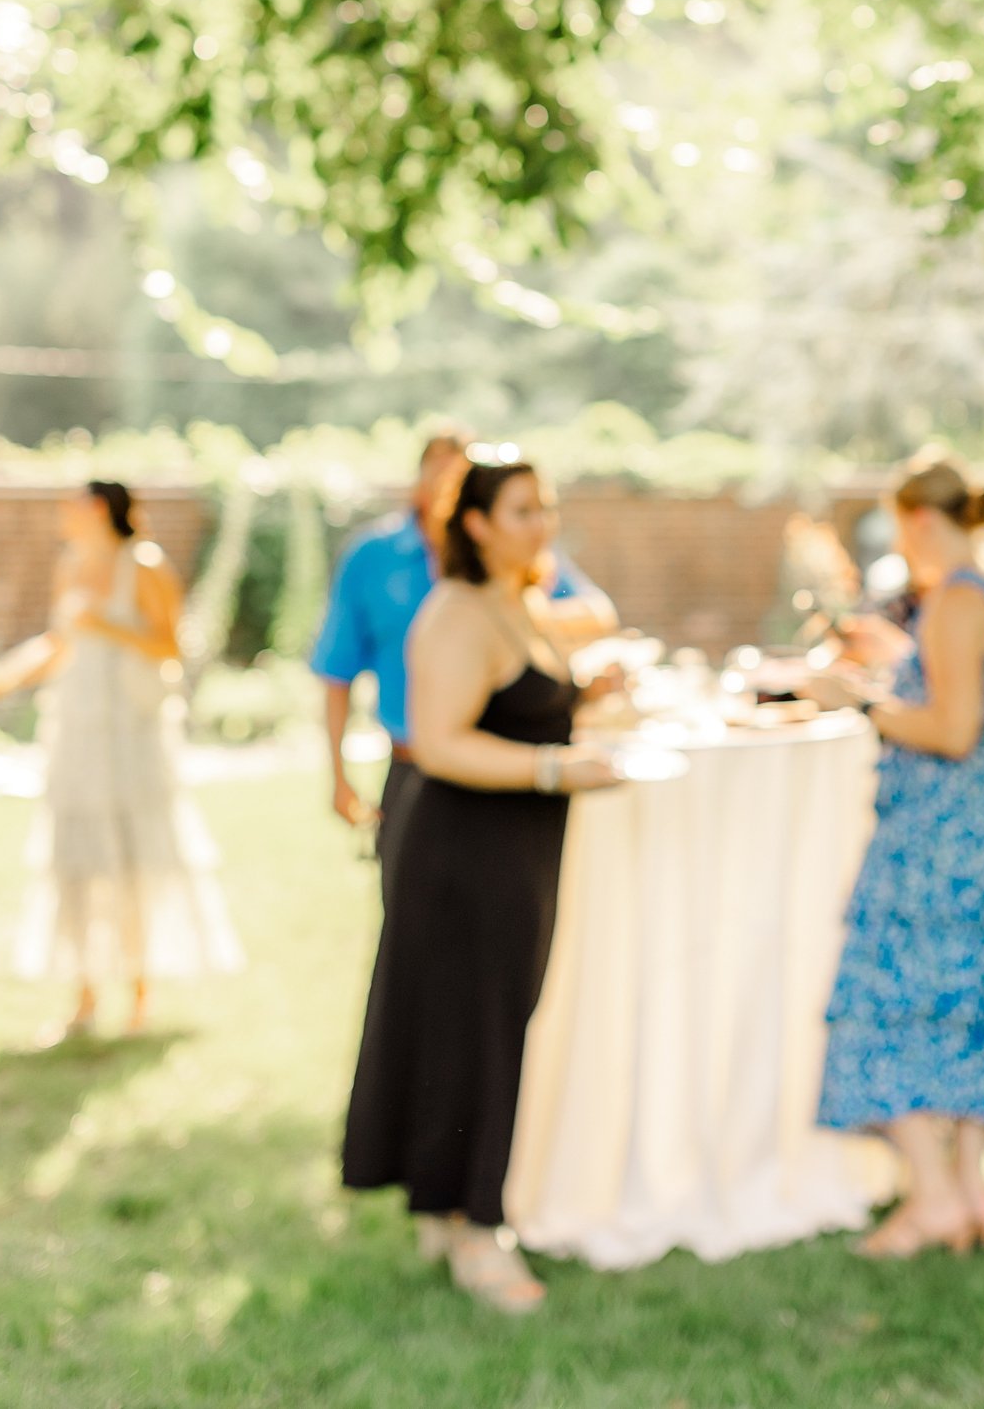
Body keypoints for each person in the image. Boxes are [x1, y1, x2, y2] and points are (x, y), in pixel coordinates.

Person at [341, 457, 621, 1313]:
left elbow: (523, 698)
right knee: (477, 1035)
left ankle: (447, 1201)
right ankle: (475, 1233)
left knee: (486, 1026)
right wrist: (554, 767)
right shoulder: (457, 612)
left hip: (514, 850)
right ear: (477, 524)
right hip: (462, 855)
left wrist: (590, 696)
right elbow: (442, 739)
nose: (544, 524)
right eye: (524, 510)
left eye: (548, 507)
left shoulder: (520, 600)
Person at [811, 455, 984, 1256]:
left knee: (897, 1002)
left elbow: (950, 730)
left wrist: (860, 696)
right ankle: (967, 1193)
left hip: (943, 834)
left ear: (922, 521)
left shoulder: (956, 602)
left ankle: (932, 1195)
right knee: (970, 1004)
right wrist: (900, 655)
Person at [0, 480, 241, 1036]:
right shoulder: (71, 564)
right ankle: (86, 996)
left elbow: (170, 645)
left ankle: (140, 994)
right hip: (77, 729)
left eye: (72, 502)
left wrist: (107, 624)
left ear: (98, 508)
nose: (62, 512)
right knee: (78, 860)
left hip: (130, 735)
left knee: (135, 858)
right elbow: (56, 641)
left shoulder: (144, 565)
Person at [312, 430, 473, 895]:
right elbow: (335, 672)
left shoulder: (505, 555)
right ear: (419, 479)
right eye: (439, 474)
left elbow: (587, 606)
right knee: (410, 925)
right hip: (412, 767)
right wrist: (340, 778)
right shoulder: (373, 556)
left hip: (497, 768)